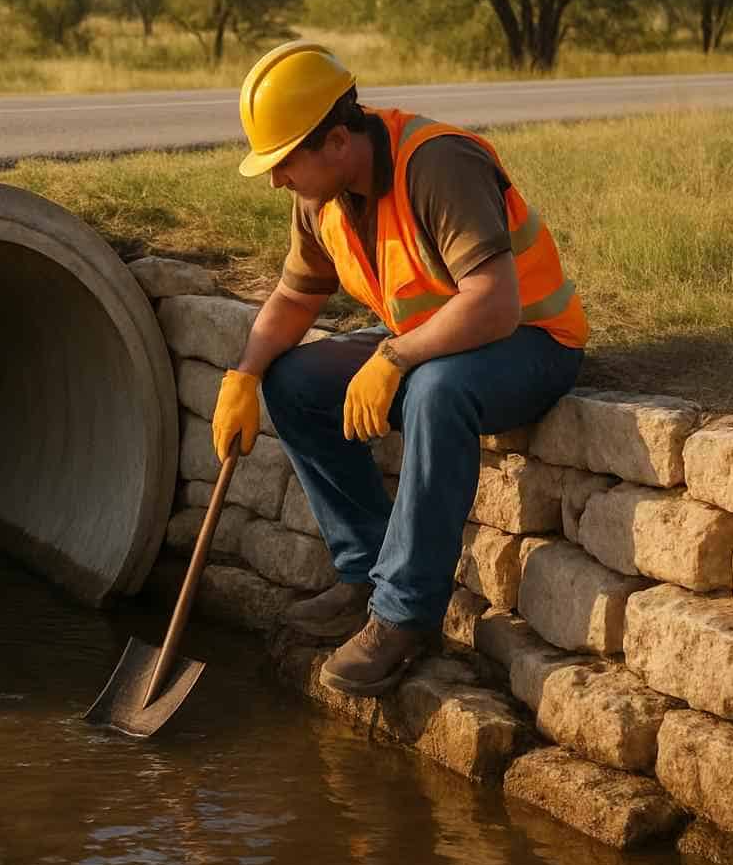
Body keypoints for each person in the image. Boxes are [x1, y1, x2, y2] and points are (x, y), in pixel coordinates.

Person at [212, 41, 588, 697]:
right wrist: (242, 375)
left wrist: (395, 356)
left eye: (283, 162)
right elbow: (297, 297)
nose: (276, 179)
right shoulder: (321, 196)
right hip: (433, 336)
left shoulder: (439, 163)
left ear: (335, 141)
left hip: (530, 341)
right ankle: (365, 572)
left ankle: (405, 616)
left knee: (434, 394)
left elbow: (495, 306)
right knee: (293, 382)